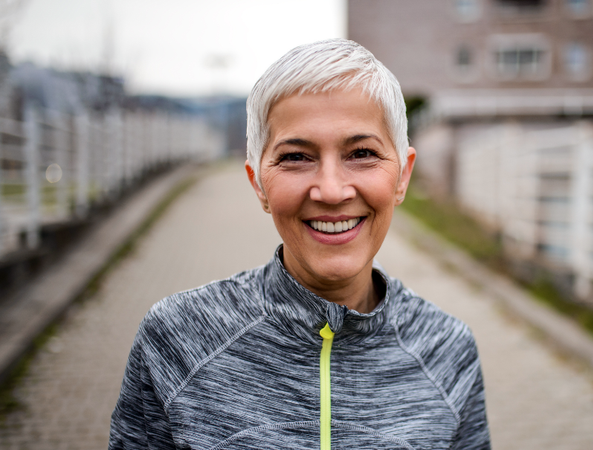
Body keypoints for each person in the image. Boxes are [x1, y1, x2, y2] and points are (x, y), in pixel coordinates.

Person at [109, 38, 490, 450]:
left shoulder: (448, 351)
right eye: (296, 157)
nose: (330, 190)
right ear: (258, 183)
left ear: (401, 176)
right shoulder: (176, 338)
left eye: (361, 152)